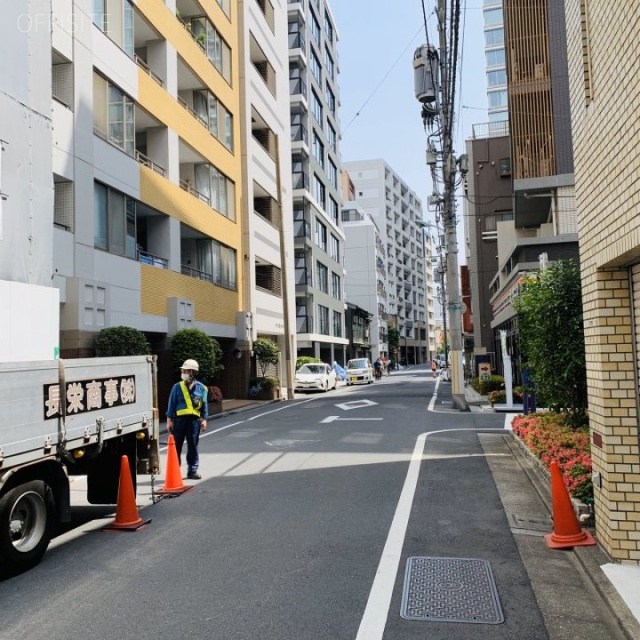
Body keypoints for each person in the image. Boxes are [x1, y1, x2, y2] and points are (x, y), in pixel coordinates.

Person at [166, 359, 208, 480]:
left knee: (193, 446)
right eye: (183, 371)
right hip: (179, 421)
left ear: (193, 373)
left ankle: (192, 471)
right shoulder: (177, 387)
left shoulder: (202, 389)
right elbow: (171, 404)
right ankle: (175, 471)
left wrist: (204, 419)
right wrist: (169, 420)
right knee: (176, 446)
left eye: (186, 371)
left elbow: (204, 405)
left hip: (194, 422)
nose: (183, 373)